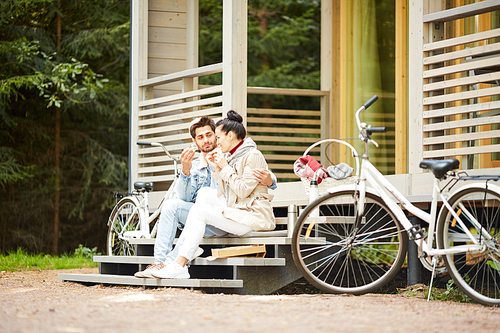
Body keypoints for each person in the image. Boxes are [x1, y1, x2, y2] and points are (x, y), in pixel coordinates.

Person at [134, 116, 276, 278]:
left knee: (200, 209)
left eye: (214, 136)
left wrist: (270, 180)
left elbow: (250, 183)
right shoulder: (225, 157)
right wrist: (189, 172)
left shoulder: (239, 155)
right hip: (224, 215)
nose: (211, 140)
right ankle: (162, 262)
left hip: (243, 215)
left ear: (228, 136)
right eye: (200, 137)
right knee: (192, 199)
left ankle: (176, 263)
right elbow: (189, 197)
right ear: (194, 141)